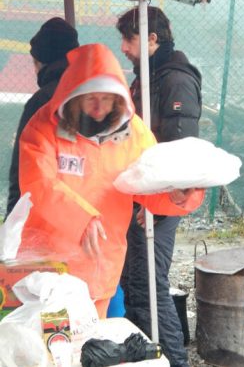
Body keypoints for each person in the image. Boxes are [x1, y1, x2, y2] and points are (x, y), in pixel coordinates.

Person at [17, 43, 204, 319]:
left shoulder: (134, 133)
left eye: (107, 99)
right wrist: (81, 218)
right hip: (48, 270)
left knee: (92, 347)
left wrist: (179, 195)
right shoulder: (44, 127)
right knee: (50, 349)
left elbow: (148, 184)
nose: (99, 107)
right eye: (90, 97)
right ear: (73, 94)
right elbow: (38, 184)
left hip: (101, 264)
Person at [117, 6, 202, 367]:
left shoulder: (174, 79)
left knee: (151, 285)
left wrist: (154, 203)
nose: (123, 47)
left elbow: (178, 152)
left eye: (129, 38)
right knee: (135, 283)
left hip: (164, 199)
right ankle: (144, 356)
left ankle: (175, 360)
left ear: (152, 39)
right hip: (143, 197)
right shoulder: (148, 75)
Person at [5, 17, 79, 218]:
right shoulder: (91, 93)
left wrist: (14, 216)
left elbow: (22, 164)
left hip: (49, 209)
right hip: (90, 207)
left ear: (41, 62)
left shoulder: (42, 100)